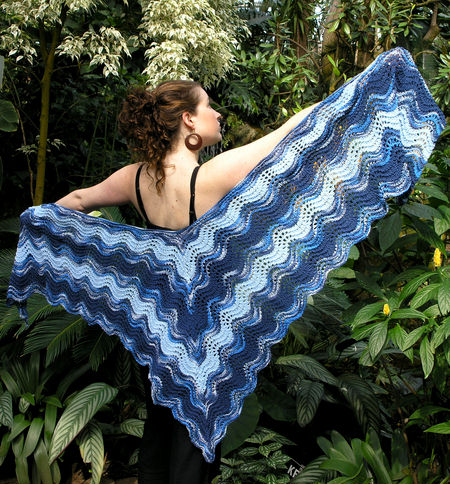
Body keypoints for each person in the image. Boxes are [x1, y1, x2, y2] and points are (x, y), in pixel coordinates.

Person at [55, 80, 317, 484]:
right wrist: (353, 90)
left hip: (159, 335)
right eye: (209, 106)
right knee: (194, 437)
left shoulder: (136, 178)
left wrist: (35, 222)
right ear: (188, 119)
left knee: (159, 427)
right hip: (207, 336)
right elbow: (287, 134)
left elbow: (76, 201)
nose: (218, 114)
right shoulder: (214, 174)